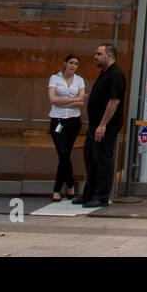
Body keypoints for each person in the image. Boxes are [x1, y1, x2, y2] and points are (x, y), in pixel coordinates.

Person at [75, 43, 127, 209]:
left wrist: (103, 125)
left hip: (105, 127)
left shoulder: (116, 75)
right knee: (91, 158)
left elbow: (114, 101)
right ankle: (89, 193)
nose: (95, 57)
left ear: (109, 55)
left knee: (103, 160)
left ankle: (101, 196)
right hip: (95, 125)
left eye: (99, 54)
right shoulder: (104, 74)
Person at [47, 54, 87, 201]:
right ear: (64, 63)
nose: (73, 66)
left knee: (66, 153)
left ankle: (63, 188)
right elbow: (52, 99)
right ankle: (68, 184)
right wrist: (74, 99)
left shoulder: (79, 80)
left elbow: (81, 102)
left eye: (76, 64)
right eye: (70, 63)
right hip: (57, 120)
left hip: (73, 121)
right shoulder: (54, 78)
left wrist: (64, 101)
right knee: (63, 154)